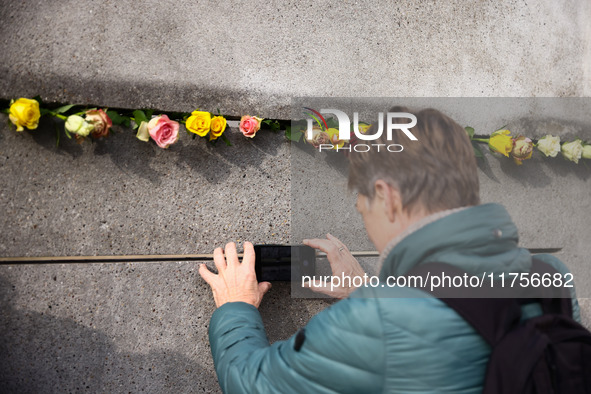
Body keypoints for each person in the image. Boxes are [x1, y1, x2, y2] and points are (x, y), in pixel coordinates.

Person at [199, 108, 580, 393]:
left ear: (387, 196)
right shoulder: (549, 274)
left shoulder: (374, 322)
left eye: (362, 201)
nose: (361, 212)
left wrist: (237, 306)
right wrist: (371, 293)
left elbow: (251, 383)